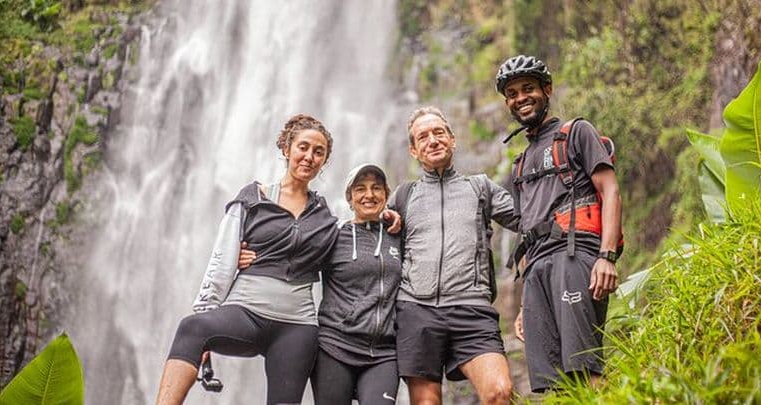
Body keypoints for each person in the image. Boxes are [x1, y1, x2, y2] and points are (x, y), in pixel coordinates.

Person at [155, 114, 340, 405]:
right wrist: (206, 313)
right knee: (192, 328)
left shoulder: (326, 218)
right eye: (303, 147)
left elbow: (351, 248)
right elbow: (221, 259)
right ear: (287, 148)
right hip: (245, 312)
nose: (309, 157)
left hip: (296, 327)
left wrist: (387, 218)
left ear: (324, 161)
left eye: (319, 152)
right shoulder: (252, 199)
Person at [495, 55, 622, 393]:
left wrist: (606, 257)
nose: (521, 98)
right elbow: (525, 235)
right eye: (512, 93)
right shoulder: (519, 165)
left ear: (546, 89)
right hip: (536, 272)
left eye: (528, 89)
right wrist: (523, 305)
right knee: (553, 384)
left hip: (574, 257)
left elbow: (609, 189)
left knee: (586, 366)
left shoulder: (576, 133)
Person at [239, 163, 402, 405]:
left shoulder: (400, 236)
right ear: (349, 198)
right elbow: (292, 258)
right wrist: (248, 256)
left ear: (386, 196)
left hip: (383, 353)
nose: (369, 194)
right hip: (334, 348)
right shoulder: (332, 236)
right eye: (360, 189)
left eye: (376, 188)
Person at [391, 106, 519, 405]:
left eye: (439, 133)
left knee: (500, 392)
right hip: (416, 309)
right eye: (423, 137)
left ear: (452, 140)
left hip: (471, 307)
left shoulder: (480, 187)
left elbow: (526, 218)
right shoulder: (402, 196)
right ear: (413, 150)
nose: (432, 140)